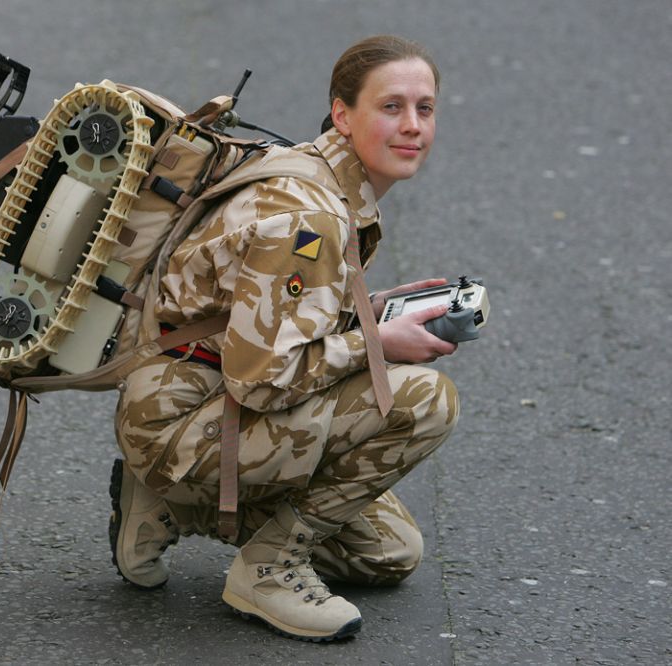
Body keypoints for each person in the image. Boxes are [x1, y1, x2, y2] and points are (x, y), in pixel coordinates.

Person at [109, 34, 460, 642]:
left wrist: (366, 313)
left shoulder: (320, 177)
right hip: (184, 418)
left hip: (199, 394)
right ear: (343, 114)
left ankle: (169, 505)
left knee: (389, 554)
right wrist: (378, 343)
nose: (412, 126)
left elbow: (263, 320)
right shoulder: (312, 217)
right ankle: (265, 571)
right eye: (391, 107)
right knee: (426, 400)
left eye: (424, 109)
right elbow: (264, 380)